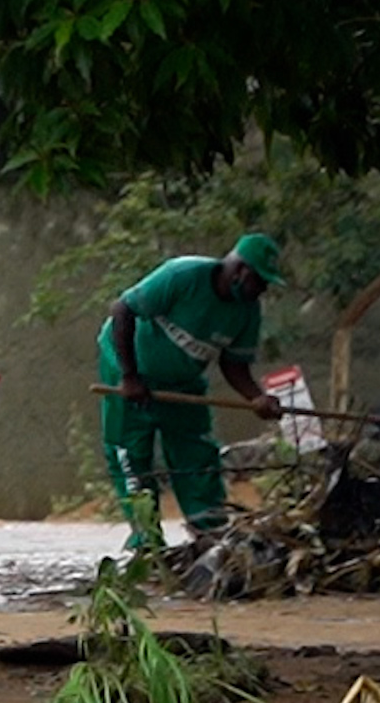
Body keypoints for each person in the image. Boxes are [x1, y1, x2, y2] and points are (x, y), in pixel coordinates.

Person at [98, 234, 284, 547]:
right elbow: (122, 310)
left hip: (184, 384)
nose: (262, 290)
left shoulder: (247, 311)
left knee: (197, 455)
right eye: (259, 281)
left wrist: (257, 398)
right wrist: (129, 377)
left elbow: (235, 365)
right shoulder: (182, 276)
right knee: (131, 457)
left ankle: (211, 537)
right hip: (129, 372)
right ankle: (147, 544)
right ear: (239, 270)